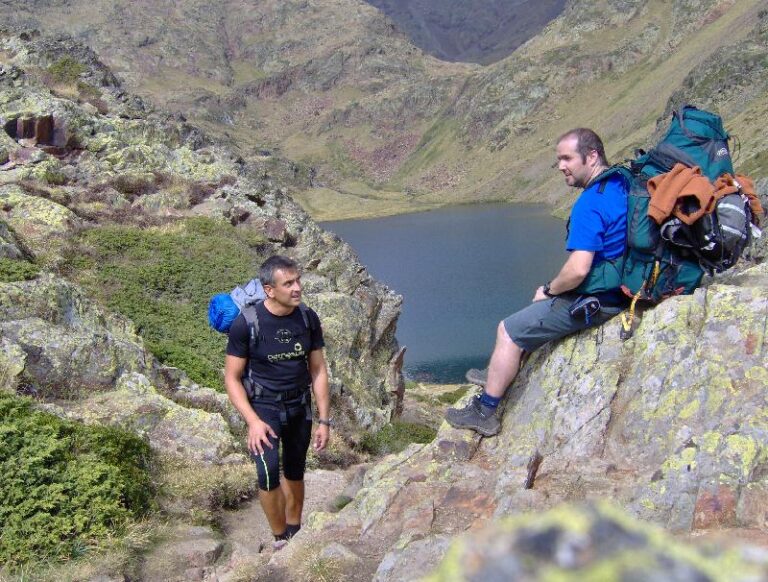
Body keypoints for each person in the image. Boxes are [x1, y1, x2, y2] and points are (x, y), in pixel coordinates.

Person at [446, 128, 629, 436]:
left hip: (601, 300)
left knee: (508, 330)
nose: (561, 166)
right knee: (532, 318)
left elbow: (578, 270)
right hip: (624, 289)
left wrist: (548, 289)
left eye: (567, 158)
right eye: (559, 159)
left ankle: (485, 412)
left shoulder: (590, 203)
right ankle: (497, 372)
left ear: (592, 155)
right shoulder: (621, 184)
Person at [224, 255, 331, 549]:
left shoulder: (308, 319)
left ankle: (296, 531)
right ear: (269, 289)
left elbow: (318, 370)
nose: (297, 288)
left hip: (300, 406)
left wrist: (324, 420)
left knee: (296, 471)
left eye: (298, 281)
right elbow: (232, 378)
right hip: (264, 409)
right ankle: (279, 538)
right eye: (289, 283)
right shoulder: (246, 324)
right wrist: (253, 421)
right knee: (268, 473)